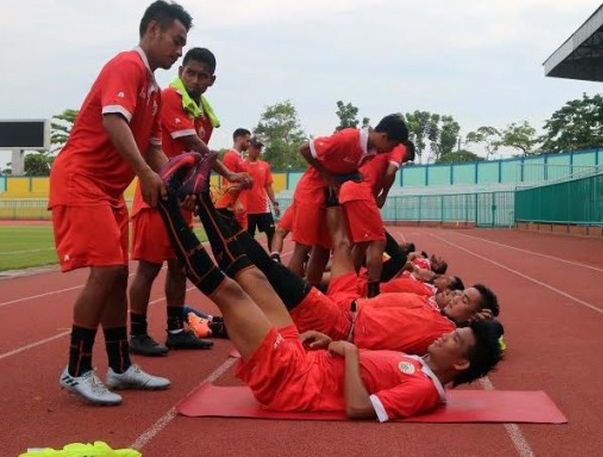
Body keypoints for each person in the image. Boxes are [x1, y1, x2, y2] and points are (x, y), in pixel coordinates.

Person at [156, 155, 504, 421]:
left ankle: (167, 202)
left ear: (459, 365)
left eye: (456, 339)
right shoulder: (420, 362)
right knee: (256, 278)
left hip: (291, 382)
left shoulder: (425, 389)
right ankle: (200, 199)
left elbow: (358, 408)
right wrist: (332, 346)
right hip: (307, 359)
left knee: (231, 293)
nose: (447, 336)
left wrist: (349, 352)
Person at [48, 0, 192, 405]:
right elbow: (114, 121)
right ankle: (76, 368)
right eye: (176, 41)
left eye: (183, 43)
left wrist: (175, 177)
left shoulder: (153, 90)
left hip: (109, 191)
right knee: (108, 270)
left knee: (115, 276)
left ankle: (120, 365)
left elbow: (153, 148)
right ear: (152, 31)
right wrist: (146, 175)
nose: (179, 51)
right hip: (82, 180)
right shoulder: (126, 66)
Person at [128, 47, 236, 356]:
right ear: (180, 73)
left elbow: (195, 160)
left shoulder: (203, 112)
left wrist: (193, 190)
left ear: (211, 80)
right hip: (157, 197)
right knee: (148, 268)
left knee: (179, 267)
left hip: (181, 200)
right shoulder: (170, 97)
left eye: (203, 75)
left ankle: (176, 329)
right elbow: (194, 146)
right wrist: (228, 173)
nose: (195, 79)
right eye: (190, 72)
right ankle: (136, 332)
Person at [288, 114, 409, 287]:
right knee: (303, 247)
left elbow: (342, 165)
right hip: (311, 191)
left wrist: (353, 176)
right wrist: (327, 176)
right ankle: (291, 298)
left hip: (330, 195)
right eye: (391, 145)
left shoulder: (370, 152)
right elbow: (305, 149)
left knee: (323, 249)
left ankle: (312, 293)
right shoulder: (347, 138)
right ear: (384, 137)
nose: (390, 151)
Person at [340, 141, 415, 296]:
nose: (403, 162)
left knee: (362, 243)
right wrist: (383, 195)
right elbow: (390, 172)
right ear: (407, 149)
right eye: (406, 159)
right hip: (360, 191)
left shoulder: (379, 152)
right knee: (379, 240)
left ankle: (350, 285)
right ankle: (373, 290)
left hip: (348, 190)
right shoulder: (398, 147)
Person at [245, 138, 280, 250]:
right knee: (248, 237)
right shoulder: (241, 164)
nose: (258, 150)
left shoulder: (265, 165)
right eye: (256, 147)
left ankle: (274, 258)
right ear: (249, 147)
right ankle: (250, 262)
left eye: (260, 148)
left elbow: (268, 186)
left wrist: (275, 203)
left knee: (271, 233)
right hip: (246, 209)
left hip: (263, 208)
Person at [216, 128, 253, 228]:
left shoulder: (239, 158)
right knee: (237, 239)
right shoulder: (230, 156)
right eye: (248, 141)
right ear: (240, 139)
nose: (249, 144)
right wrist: (236, 203)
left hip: (242, 205)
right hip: (235, 206)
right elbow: (227, 182)